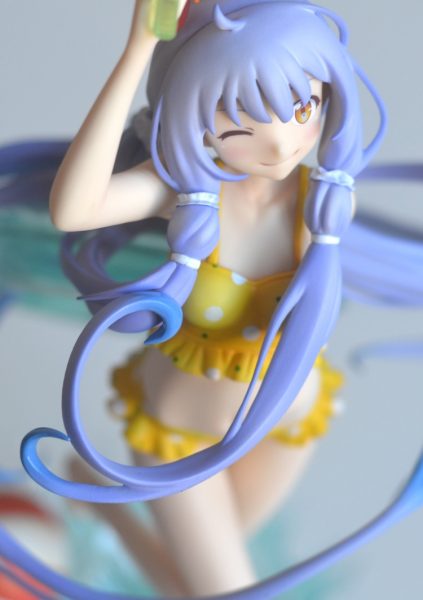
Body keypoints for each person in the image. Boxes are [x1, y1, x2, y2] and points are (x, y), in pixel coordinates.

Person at [2, 1, 423, 599]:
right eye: (241, 124)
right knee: (226, 589)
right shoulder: (186, 194)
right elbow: (74, 209)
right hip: (185, 431)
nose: (280, 143)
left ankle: (107, 508)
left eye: (304, 108)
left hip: (289, 414)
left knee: (202, 584)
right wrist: (136, 54)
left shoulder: (325, 197)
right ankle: (106, 502)